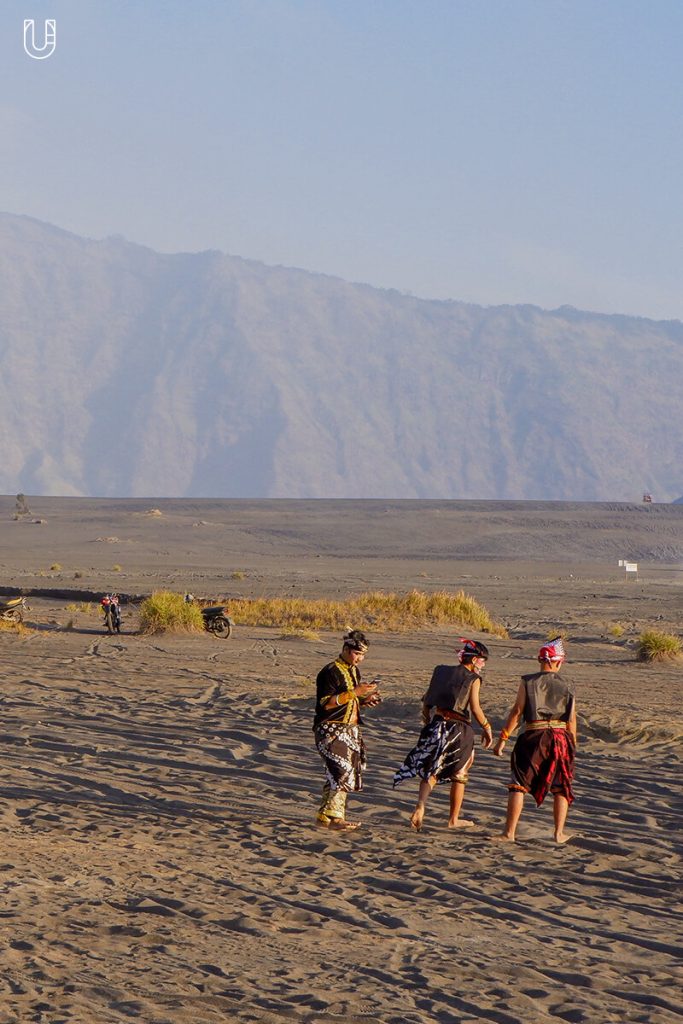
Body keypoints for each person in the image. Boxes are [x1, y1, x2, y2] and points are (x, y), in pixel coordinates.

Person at [393, 639, 493, 831]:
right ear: (473, 660)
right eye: (482, 660)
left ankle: (421, 805)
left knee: (432, 768)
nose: (483, 664)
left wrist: (426, 719)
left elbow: (427, 701)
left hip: (437, 724)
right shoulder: (473, 679)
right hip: (459, 729)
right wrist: (487, 728)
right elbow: (475, 708)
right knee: (460, 772)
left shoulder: (441, 671)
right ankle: (453, 819)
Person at [493, 637, 577, 844]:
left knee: (518, 783)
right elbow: (572, 719)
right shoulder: (568, 684)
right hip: (560, 738)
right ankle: (558, 833)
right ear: (558, 661)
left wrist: (503, 738)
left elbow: (517, 712)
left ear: (541, 660)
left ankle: (509, 833)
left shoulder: (528, 681)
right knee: (561, 785)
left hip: (534, 737)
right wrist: (572, 745)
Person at [313, 630, 381, 831]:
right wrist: (355, 693)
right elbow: (327, 704)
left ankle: (323, 817)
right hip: (330, 729)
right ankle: (336, 819)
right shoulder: (330, 671)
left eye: (362, 655)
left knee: (340, 772)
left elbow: (351, 699)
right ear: (345, 649)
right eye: (357, 653)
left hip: (350, 729)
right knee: (341, 771)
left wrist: (364, 699)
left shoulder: (353, 671)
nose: (360, 659)